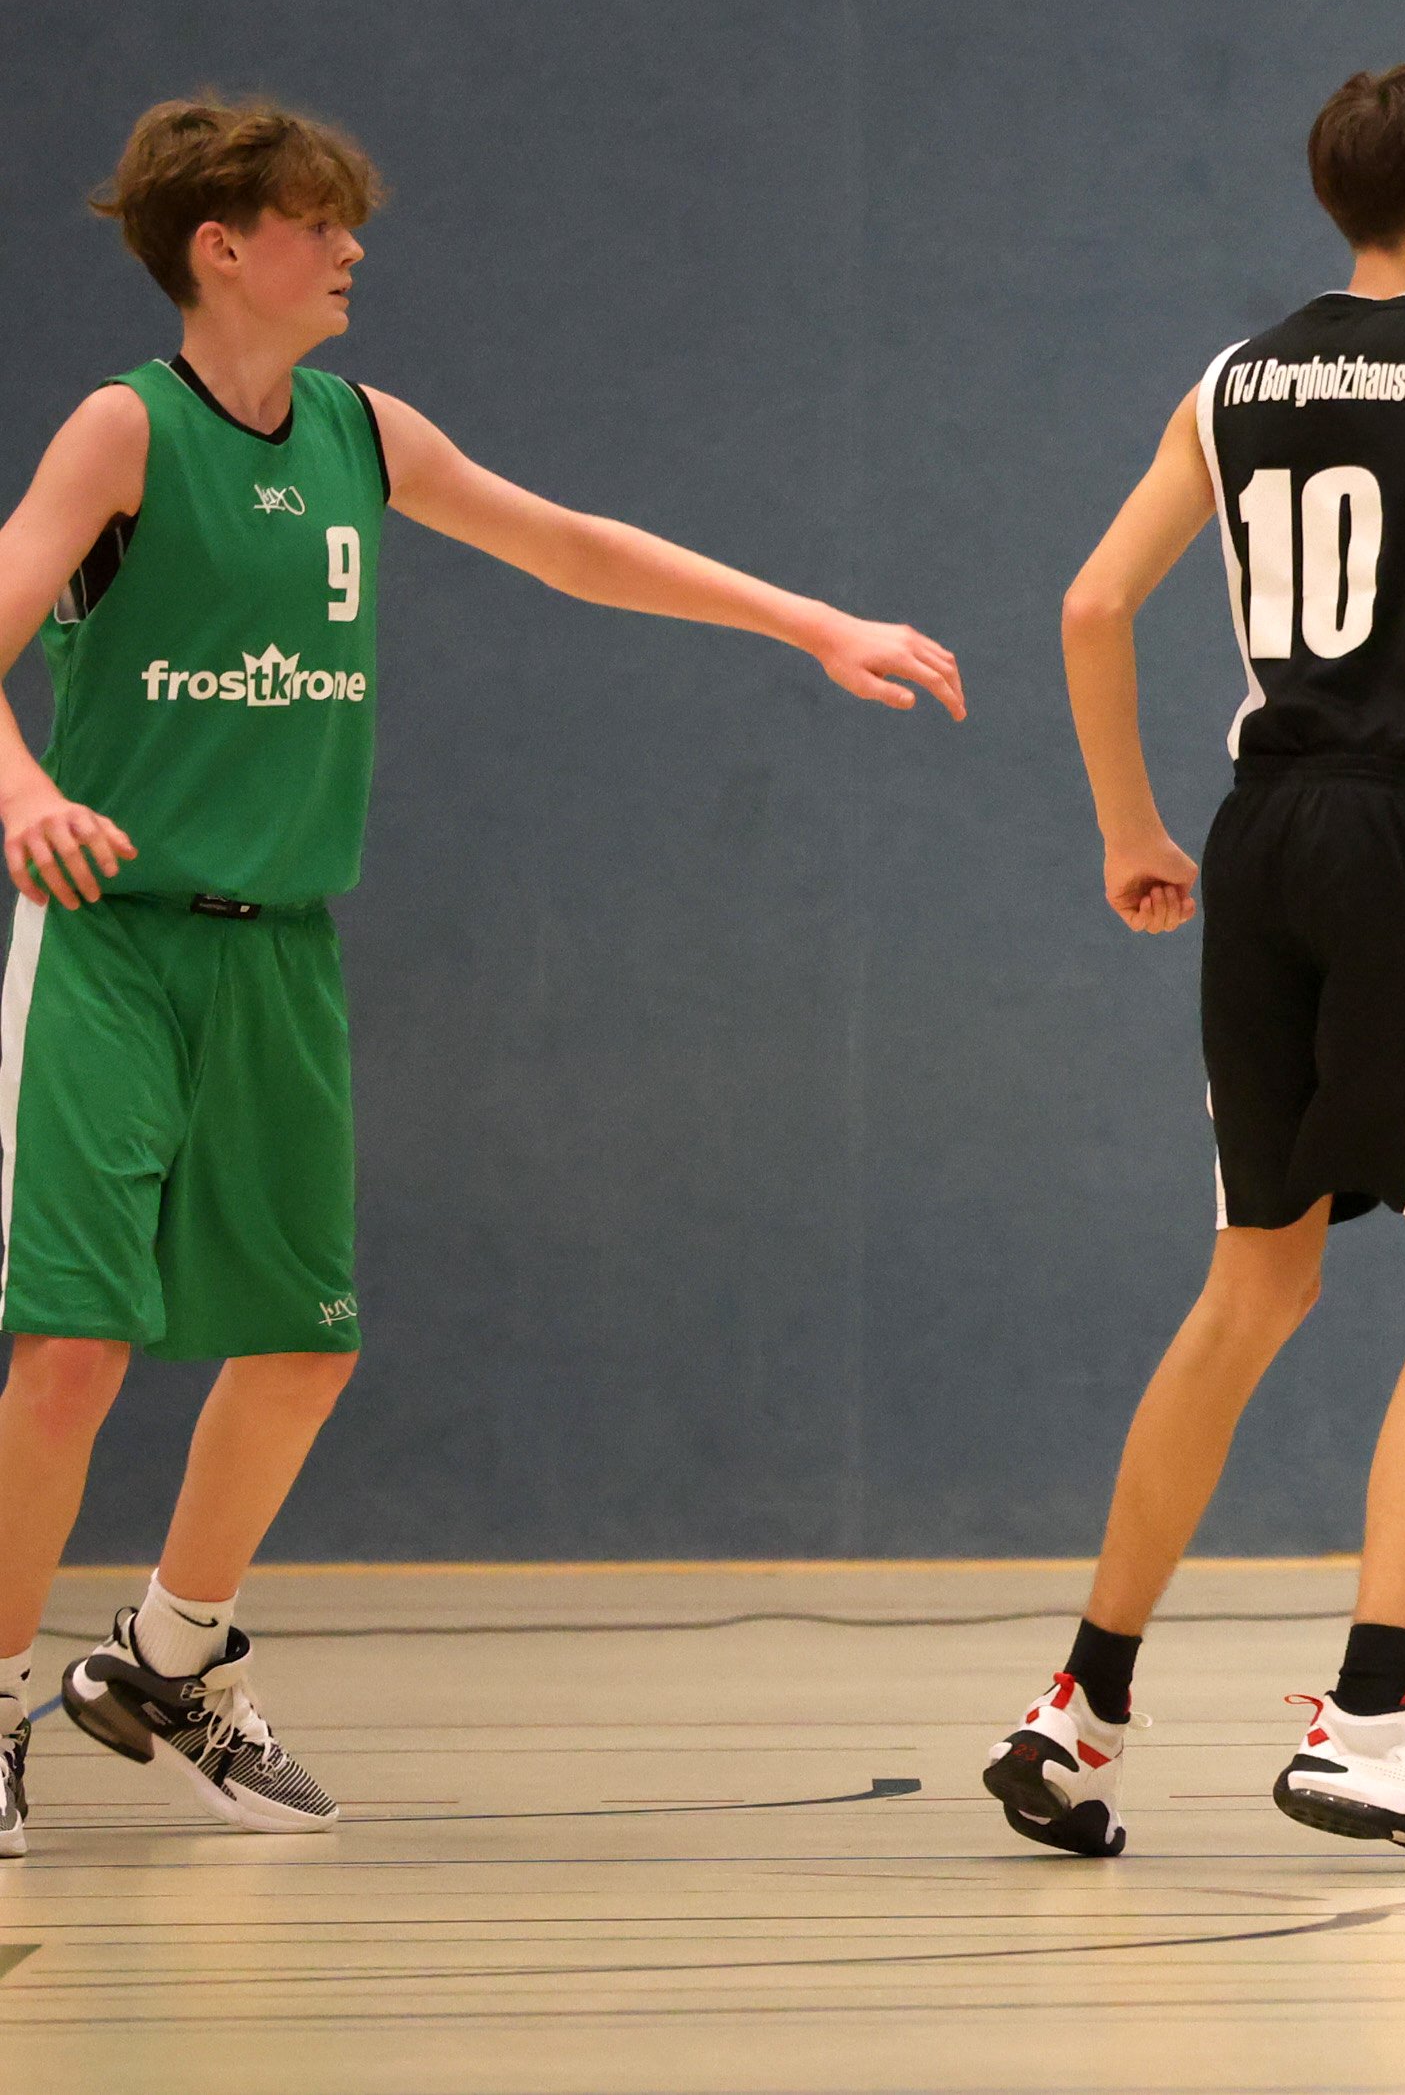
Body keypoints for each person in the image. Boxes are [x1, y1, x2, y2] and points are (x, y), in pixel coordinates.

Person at [0, 97, 962, 1856]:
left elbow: (570, 543)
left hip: (280, 949)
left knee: (301, 1351)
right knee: (72, 1349)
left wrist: (809, 620)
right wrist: (25, 795)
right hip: (115, 943)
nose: (351, 246)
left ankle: (167, 1662)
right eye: (318, 222)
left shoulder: (366, 432)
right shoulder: (124, 430)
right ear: (223, 247)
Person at [988, 63, 1405, 1873]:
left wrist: (1129, 826)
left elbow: (1093, 603)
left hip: (1257, 836)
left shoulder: (1233, 379)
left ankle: (1079, 1706)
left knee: (1254, 1284)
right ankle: (1379, 1722)